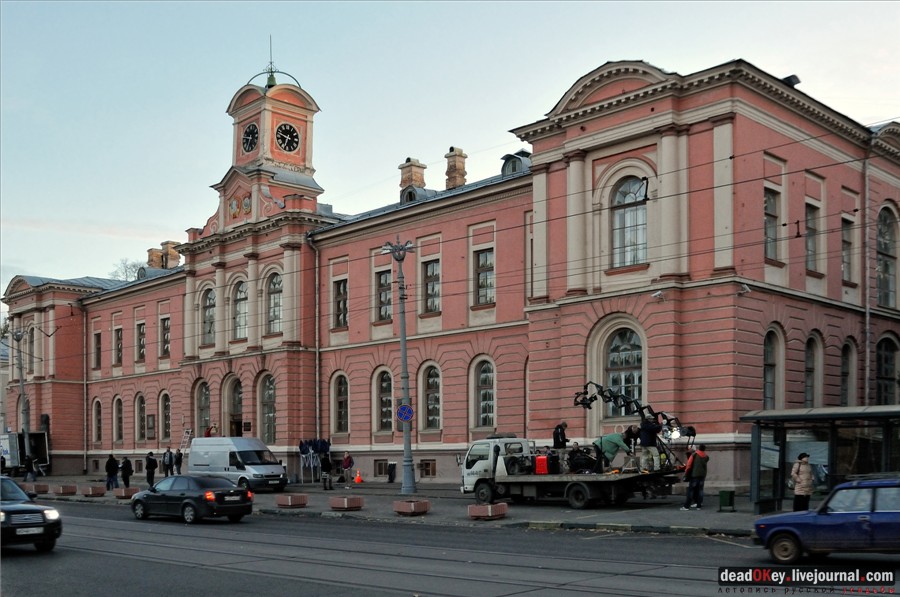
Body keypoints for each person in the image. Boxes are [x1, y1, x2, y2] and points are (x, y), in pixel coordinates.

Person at [680, 444, 709, 510]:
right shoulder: (706, 456)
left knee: (691, 491)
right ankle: (699, 505)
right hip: (702, 475)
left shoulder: (694, 455)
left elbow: (689, 465)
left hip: (695, 475)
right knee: (700, 490)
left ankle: (686, 506)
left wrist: (686, 474)